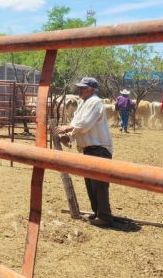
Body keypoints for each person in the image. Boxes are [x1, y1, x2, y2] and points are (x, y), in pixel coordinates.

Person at [56, 77, 114, 227]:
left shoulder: (95, 102)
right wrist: (70, 136)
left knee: (99, 183)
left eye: (84, 88)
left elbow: (85, 124)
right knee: (91, 182)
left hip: (99, 148)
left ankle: (105, 216)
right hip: (90, 148)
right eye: (81, 88)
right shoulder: (84, 102)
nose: (81, 90)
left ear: (92, 89)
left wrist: (68, 129)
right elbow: (79, 123)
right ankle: (97, 212)